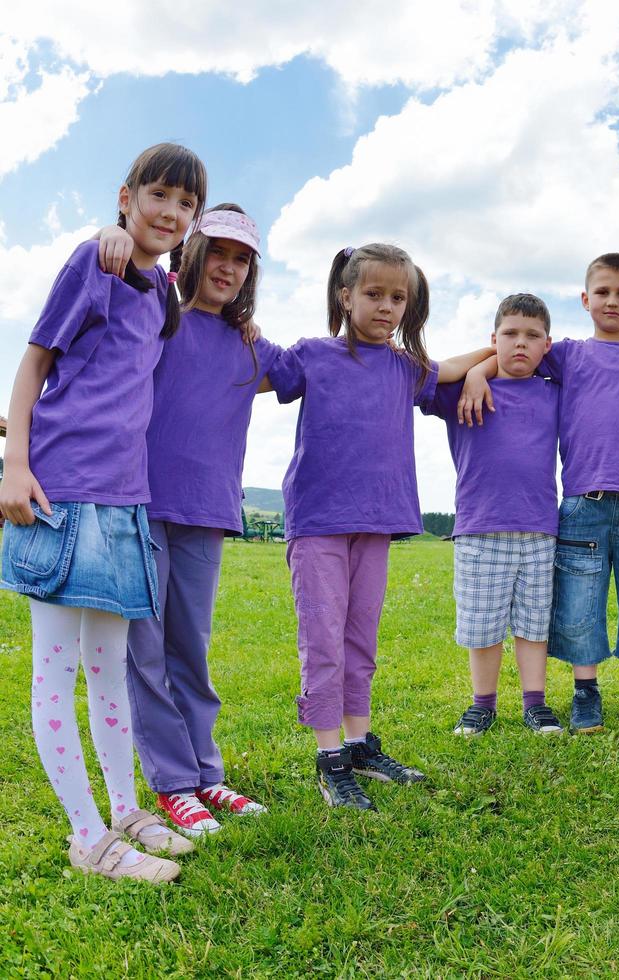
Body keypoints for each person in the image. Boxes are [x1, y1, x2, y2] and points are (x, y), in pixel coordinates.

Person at [0, 142, 208, 882]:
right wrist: (16, 464)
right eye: (160, 195)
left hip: (125, 500)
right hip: (60, 488)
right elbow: (34, 362)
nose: (171, 212)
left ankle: (123, 809)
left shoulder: (160, 296)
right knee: (54, 669)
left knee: (110, 669)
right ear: (127, 196)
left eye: (186, 205)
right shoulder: (96, 261)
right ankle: (86, 836)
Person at [273, 243, 492, 810]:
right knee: (322, 642)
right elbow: (248, 376)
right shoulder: (312, 355)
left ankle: (358, 745)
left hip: (376, 522)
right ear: (345, 297)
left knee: (359, 639)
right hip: (318, 521)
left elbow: (449, 369)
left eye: (399, 298)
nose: (387, 307)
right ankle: (329, 761)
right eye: (374, 294)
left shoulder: (403, 367)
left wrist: (491, 356)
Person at [109, 204, 276, 837]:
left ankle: (209, 775)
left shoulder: (250, 345)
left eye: (241, 260)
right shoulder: (156, 312)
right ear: (190, 253)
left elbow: (333, 365)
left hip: (207, 514)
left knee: (191, 650)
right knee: (145, 652)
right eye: (217, 254)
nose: (227, 268)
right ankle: (174, 785)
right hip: (140, 504)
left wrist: (484, 364)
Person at [460, 253, 619, 733]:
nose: (612, 301)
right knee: (580, 602)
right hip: (584, 500)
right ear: (585, 299)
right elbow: (520, 351)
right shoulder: (569, 355)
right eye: (602, 292)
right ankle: (586, 692)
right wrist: (479, 372)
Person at [422, 294, 563, 735]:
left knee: (533, 622)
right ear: (493, 339)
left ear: (547, 344)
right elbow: (427, 372)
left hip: (540, 527)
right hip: (480, 527)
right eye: (509, 335)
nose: (520, 344)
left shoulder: (554, 393)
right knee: (483, 624)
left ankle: (535, 702)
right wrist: (480, 368)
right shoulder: (462, 391)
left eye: (532, 336)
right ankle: (482, 703)